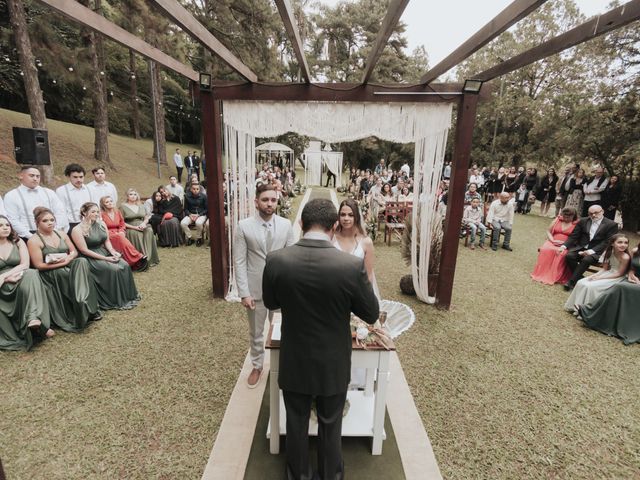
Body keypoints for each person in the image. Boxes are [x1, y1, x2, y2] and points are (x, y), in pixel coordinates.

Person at [262, 198, 379, 480]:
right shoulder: (350, 266)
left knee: (297, 420)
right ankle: (330, 475)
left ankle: (298, 475)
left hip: (295, 356)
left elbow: (270, 301)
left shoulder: (277, 259)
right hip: (333, 359)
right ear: (334, 225)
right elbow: (371, 312)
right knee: (330, 421)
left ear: (301, 224)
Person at [234, 183, 294, 388]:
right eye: (265, 200)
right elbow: (240, 261)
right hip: (255, 289)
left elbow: (291, 259)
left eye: (273, 200)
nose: (270, 204)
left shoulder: (286, 225)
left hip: (281, 291)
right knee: (256, 332)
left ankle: (282, 366)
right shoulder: (243, 226)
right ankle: (257, 366)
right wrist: (244, 293)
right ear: (256, 201)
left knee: (283, 330)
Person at [27, 207, 101, 332]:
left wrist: (68, 258)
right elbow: (39, 265)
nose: (50, 223)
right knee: (64, 273)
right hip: (51, 271)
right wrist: (62, 263)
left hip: (68, 263)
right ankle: (81, 308)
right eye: (45, 221)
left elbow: (74, 252)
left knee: (82, 262)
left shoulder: (61, 234)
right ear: (37, 223)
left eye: (52, 220)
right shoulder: (33, 240)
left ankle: (86, 304)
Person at [71, 203, 140, 310]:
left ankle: (128, 296)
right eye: (93, 212)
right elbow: (84, 251)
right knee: (114, 269)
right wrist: (106, 259)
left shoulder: (102, 224)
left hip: (104, 252)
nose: (96, 214)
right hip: (90, 257)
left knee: (125, 265)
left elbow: (106, 241)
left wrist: (113, 252)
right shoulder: (77, 230)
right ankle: (115, 299)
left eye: (98, 211)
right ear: (84, 213)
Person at [0, 215, 54, 350]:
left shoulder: (17, 241)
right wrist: (5, 279)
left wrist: (6, 275)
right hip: (2, 282)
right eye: (1, 225)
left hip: (18, 274)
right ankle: (38, 327)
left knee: (31, 273)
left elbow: (25, 264)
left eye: (7, 225)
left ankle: (33, 319)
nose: (5, 228)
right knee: (26, 282)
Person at [580, 243, 640, 344]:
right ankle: (593, 314)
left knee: (621, 287)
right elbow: (632, 268)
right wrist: (631, 274)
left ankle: (590, 310)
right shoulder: (635, 251)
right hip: (634, 280)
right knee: (618, 286)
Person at [564, 233, 630, 313]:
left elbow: (620, 274)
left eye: (626, 243)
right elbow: (605, 269)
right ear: (612, 243)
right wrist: (595, 275)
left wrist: (600, 278)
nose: (623, 245)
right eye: (620, 242)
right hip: (608, 273)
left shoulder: (625, 257)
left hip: (617, 278)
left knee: (590, 286)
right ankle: (575, 307)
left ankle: (586, 311)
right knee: (581, 282)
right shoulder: (608, 252)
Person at [559, 204, 619, 290]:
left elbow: (608, 242)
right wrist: (564, 246)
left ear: (602, 211)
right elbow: (574, 236)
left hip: (598, 251)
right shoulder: (583, 221)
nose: (593, 215)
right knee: (569, 256)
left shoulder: (611, 224)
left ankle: (571, 282)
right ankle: (581, 279)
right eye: (591, 213)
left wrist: (591, 251)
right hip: (581, 247)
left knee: (586, 259)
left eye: (596, 213)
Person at [4, 166, 68, 241]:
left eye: (38, 176)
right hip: (26, 235)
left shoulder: (49, 193)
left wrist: (55, 229)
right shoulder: (11, 196)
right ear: (21, 176)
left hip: (52, 232)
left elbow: (60, 211)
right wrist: (30, 236)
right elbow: (12, 219)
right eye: (31, 176)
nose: (35, 178)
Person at [531, 207, 578, 285]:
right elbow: (548, 231)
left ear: (573, 216)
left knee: (560, 253)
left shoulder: (576, 224)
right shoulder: (558, 220)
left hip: (566, 244)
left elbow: (575, 238)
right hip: (553, 241)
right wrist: (552, 240)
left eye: (568, 217)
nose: (566, 218)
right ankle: (543, 272)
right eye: (565, 216)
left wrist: (565, 244)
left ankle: (554, 275)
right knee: (546, 249)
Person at [100, 196, 147, 271]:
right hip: (108, 234)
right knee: (120, 237)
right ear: (103, 204)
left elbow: (122, 224)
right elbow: (101, 227)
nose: (109, 203)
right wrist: (117, 234)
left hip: (119, 232)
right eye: (107, 202)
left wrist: (122, 231)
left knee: (121, 238)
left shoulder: (117, 212)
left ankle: (132, 261)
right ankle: (137, 256)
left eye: (111, 201)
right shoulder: (101, 214)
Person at [120, 188, 159, 266]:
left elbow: (146, 217)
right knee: (137, 234)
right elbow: (121, 222)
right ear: (127, 196)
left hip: (142, 225)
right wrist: (134, 227)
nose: (133, 196)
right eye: (131, 194)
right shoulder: (123, 206)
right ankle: (141, 258)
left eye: (135, 194)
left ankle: (148, 257)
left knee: (150, 231)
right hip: (130, 227)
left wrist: (144, 223)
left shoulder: (141, 205)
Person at [56, 163, 93, 233]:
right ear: (68, 176)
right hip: (72, 225)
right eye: (75, 177)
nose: (79, 180)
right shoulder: (61, 191)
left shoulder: (89, 189)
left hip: (89, 223)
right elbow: (61, 211)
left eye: (81, 177)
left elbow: (94, 206)